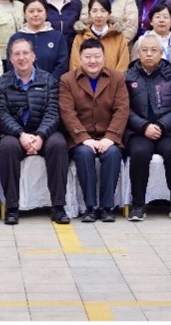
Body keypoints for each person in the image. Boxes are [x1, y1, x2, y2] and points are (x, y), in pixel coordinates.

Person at [0, 38, 70, 225]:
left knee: (59, 144)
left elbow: (52, 112)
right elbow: (2, 115)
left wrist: (41, 136)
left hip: (43, 133)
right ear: (10, 59)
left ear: (33, 56)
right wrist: (21, 135)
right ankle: (12, 207)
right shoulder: (1, 83)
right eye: (16, 54)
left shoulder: (49, 80)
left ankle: (58, 207)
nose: (21, 58)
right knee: (8, 148)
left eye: (25, 53)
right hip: (15, 134)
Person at [59, 38, 129, 222]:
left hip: (108, 135)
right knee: (84, 153)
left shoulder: (117, 78)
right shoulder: (67, 80)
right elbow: (67, 112)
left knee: (113, 154)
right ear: (80, 58)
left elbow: (122, 109)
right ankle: (89, 207)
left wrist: (111, 136)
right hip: (80, 138)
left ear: (104, 58)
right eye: (88, 57)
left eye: (97, 56)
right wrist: (83, 137)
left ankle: (107, 207)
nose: (93, 61)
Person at [123, 32, 171, 222]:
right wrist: (144, 126)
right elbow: (123, 108)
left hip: (169, 131)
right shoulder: (128, 77)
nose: (149, 54)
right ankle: (138, 205)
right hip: (139, 131)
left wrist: (161, 125)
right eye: (144, 50)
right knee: (139, 154)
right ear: (138, 53)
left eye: (154, 50)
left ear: (162, 53)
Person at [8, 0, 68, 80]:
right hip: (21, 88)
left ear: (46, 13)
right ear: (24, 14)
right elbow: (10, 64)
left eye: (39, 11)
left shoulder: (57, 36)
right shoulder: (16, 38)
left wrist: (49, 83)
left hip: (51, 88)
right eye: (31, 11)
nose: (35, 14)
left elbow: (62, 65)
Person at [70, 0, 130, 72]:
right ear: (89, 13)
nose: (99, 15)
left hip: (113, 82)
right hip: (84, 83)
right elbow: (75, 65)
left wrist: (114, 82)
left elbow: (123, 65)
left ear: (109, 14)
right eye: (94, 11)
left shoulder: (118, 37)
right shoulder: (80, 37)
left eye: (103, 11)